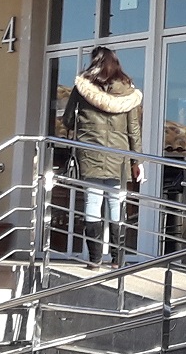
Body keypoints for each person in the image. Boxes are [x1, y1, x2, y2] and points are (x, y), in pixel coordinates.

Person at [60, 46, 142, 265]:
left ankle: (94, 260)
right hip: (118, 155)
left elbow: (68, 120)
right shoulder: (127, 92)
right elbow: (133, 129)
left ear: (94, 62)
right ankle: (117, 259)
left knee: (92, 201)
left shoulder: (83, 88)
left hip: (90, 153)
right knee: (116, 203)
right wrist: (137, 161)